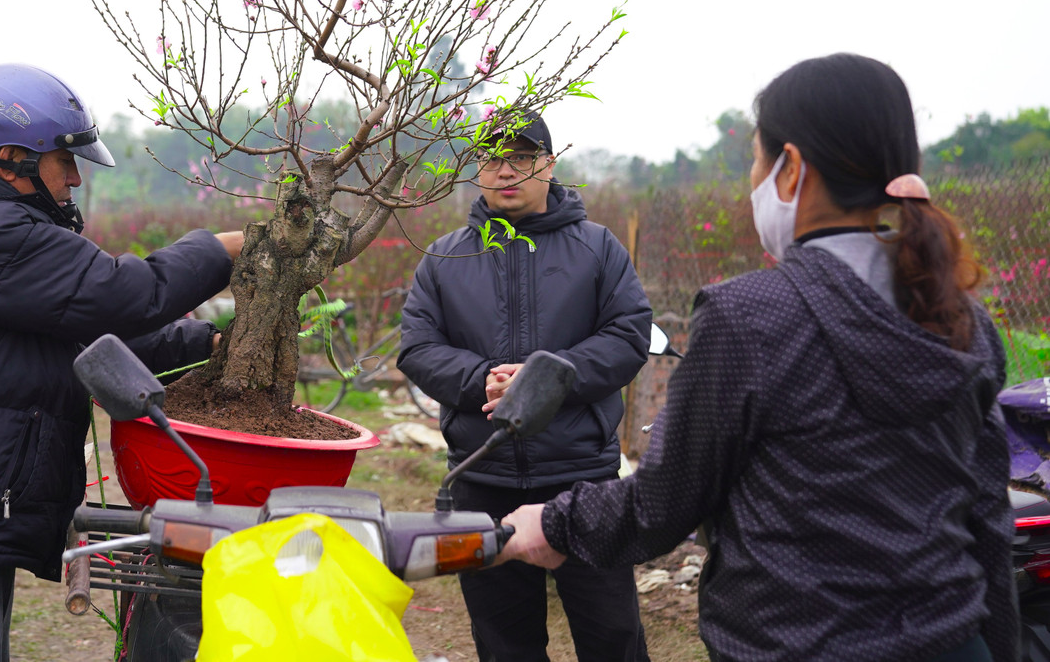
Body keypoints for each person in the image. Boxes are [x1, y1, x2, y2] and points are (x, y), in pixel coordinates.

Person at [498, 54, 1017, 662]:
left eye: (757, 158)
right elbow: (988, 519)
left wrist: (554, 523)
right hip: (953, 641)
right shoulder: (963, 321)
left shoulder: (749, 315)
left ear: (791, 169)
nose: (754, 177)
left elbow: (666, 502)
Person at [0, 63, 244, 662]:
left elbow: (90, 334)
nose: (77, 180)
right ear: (12, 156)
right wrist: (225, 247)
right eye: (66, 162)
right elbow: (125, 294)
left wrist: (203, 344)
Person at [398, 110, 654, 662]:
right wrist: (481, 380)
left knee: (612, 636)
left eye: (521, 158)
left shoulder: (598, 247)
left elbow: (628, 336)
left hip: (582, 479)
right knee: (503, 644)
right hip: (481, 478)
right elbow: (417, 347)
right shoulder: (445, 256)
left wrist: (545, 381)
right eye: (492, 158)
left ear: (549, 164)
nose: (505, 171)